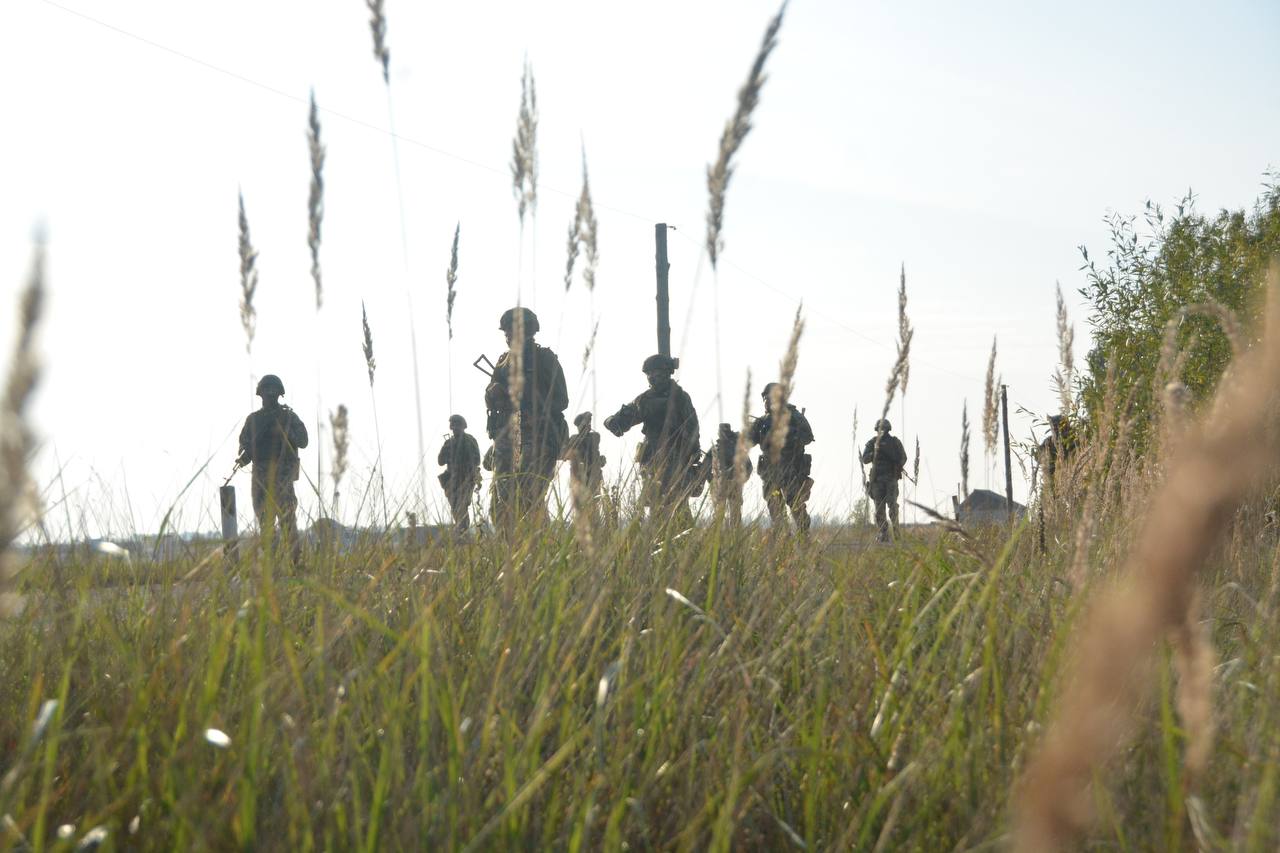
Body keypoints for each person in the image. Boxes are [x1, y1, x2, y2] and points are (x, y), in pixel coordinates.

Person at [484, 307, 569, 532]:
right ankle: (510, 548)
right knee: (500, 503)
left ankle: (540, 546)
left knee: (528, 498)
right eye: (506, 333)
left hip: (538, 438)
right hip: (507, 440)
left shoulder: (544, 359)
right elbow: (491, 399)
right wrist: (493, 393)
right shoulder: (503, 362)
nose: (508, 337)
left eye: (513, 332)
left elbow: (561, 400)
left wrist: (536, 412)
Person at [603, 354, 701, 528]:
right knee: (658, 508)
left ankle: (683, 540)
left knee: (678, 507)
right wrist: (611, 421)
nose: (652, 377)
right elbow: (621, 422)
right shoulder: (645, 399)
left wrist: (691, 455)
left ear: (666, 373)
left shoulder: (680, 397)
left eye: (656, 373)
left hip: (675, 459)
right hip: (652, 460)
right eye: (649, 374)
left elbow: (693, 429)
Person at [236, 374, 309, 563]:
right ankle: (272, 565)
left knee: (287, 521)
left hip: (283, 476)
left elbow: (303, 441)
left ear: (279, 393)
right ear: (260, 393)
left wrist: (285, 431)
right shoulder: (253, 420)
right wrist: (246, 453)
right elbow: (243, 447)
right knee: (265, 522)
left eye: (273, 390)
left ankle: (294, 563)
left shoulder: (288, 417)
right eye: (266, 390)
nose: (270, 394)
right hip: (261, 476)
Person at [749, 384, 815, 533]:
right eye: (765, 399)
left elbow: (808, 437)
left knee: (795, 502)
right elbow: (748, 442)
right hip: (770, 471)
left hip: (790, 469)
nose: (766, 402)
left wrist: (789, 436)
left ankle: (803, 534)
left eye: (768, 398)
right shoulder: (762, 421)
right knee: (774, 504)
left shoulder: (794, 416)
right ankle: (782, 536)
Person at [860, 418, 907, 543]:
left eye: (884, 429)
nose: (882, 431)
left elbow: (903, 458)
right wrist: (874, 454)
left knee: (892, 506)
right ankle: (883, 533)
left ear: (888, 429)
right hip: (877, 480)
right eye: (880, 429)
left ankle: (896, 532)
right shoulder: (872, 443)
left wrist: (895, 464)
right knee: (879, 508)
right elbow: (864, 459)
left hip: (890, 479)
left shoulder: (894, 442)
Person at [437, 414, 481, 533]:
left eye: (457, 425)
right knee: (455, 507)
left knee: (462, 506)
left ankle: (463, 531)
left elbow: (477, 460)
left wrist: (465, 462)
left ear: (463, 426)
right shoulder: (449, 442)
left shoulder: (469, 440)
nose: (455, 427)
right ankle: (461, 530)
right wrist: (447, 452)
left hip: (465, 479)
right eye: (453, 425)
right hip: (452, 480)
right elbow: (440, 461)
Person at [703, 422, 752, 527]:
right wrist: (713, 480)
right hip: (726, 484)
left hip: (730, 484)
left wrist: (713, 480)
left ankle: (727, 535)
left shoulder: (722, 448)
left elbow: (749, 466)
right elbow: (705, 468)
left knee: (728, 516)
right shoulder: (719, 448)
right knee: (728, 516)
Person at [562, 412, 606, 516]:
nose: (589, 425)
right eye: (586, 422)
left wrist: (600, 460)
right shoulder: (574, 439)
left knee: (594, 506)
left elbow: (594, 455)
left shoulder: (594, 437)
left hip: (593, 477)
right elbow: (565, 455)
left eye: (589, 422)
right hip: (580, 479)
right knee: (581, 508)